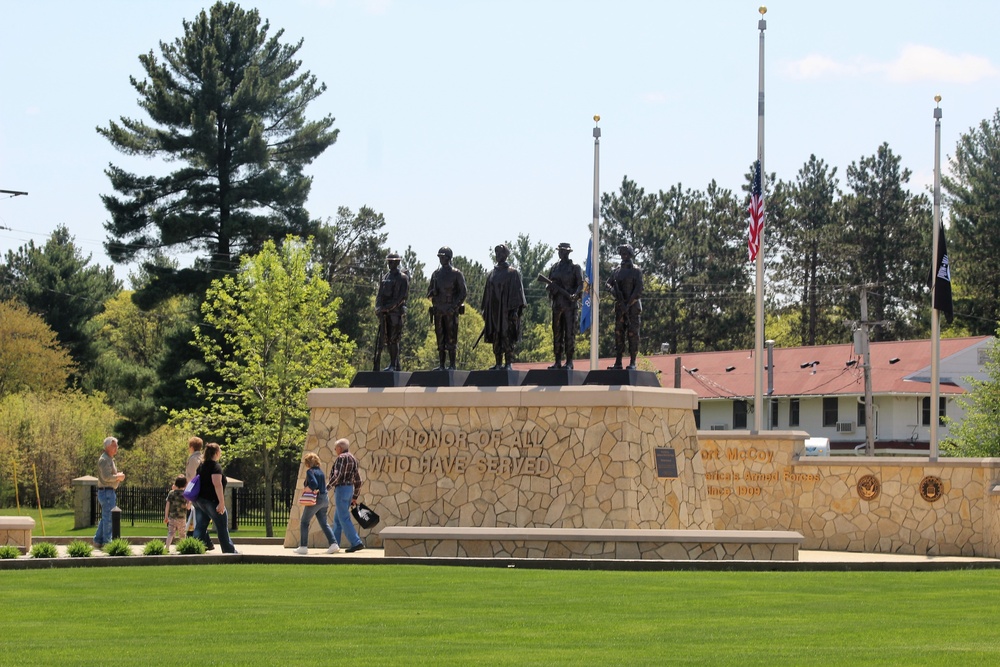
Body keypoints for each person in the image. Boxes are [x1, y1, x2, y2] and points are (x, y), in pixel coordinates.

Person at [481, 244, 526, 370]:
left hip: (507, 312)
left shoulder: (513, 273)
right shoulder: (492, 274)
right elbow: (487, 295)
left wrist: (515, 311)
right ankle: (498, 363)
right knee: (496, 336)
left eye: (500, 253)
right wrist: (485, 311)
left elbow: (517, 294)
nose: (498, 256)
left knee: (507, 337)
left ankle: (508, 363)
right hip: (494, 312)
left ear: (506, 255)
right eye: (496, 253)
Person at [192, 442, 238, 554]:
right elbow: (217, 484)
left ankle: (194, 548)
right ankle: (229, 550)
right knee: (222, 526)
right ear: (216, 453)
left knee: (200, 526)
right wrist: (221, 503)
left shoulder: (201, 466)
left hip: (199, 500)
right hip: (211, 501)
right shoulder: (215, 466)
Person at [545, 242, 584, 369]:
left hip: (570, 306)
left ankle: (569, 361)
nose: (561, 253)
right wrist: (552, 288)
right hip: (557, 305)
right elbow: (548, 284)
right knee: (557, 333)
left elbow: (581, 285)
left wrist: (575, 294)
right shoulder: (555, 268)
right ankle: (557, 361)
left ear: (568, 252)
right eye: (560, 251)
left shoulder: (575, 267)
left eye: (563, 251)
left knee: (569, 334)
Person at [427, 246, 468, 370]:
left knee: (451, 338)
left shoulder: (456, 273)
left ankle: (452, 365)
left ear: (449, 258)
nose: (441, 259)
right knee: (440, 337)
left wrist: (454, 307)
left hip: (450, 310)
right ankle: (441, 365)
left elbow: (463, 292)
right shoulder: (436, 274)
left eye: (443, 257)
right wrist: (432, 294)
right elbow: (428, 293)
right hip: (439, 310)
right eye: (440, 257)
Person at [294, 452, 340, 555]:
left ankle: (303, 546)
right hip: (324, 499)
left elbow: (314, 484)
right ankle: (334, 544)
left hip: (316, 500)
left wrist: (307, 488)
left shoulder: (310, 471)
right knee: (324, 523)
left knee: (304, 522)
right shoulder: (320, 472)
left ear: (308, 463)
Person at [607, 244, 643, 370]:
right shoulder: (617, 271)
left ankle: (633, 362)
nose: (624, 255)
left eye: (626, 253)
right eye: (622, 253)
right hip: (620, 309)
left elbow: (638, 290)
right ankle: (618, 362)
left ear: (631, 254)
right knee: (619, 334)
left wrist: (628, 304)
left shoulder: (636, 270)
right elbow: (608, 283)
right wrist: (613, 291)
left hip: (632, 308)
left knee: (633, 335)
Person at [326, 438, 365, 553]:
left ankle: (356, 542)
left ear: (340, 448)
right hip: (349, 489)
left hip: (341, 489)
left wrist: (326, 488)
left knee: (343, 518)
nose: (335, 450)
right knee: (338, 519)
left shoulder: (341, 458)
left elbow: (337, 476)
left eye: (335, 448)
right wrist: (355, 496)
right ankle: (334, 544)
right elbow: (358, 479)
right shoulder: (353, 458)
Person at [373, 251, 410, 372]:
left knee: (394, 339)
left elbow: (402, 297)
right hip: (384, 314)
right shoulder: (385, 277)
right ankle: (394, 364)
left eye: (393, 262)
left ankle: (394, 365)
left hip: (395, 313)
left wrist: (388, 308)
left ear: (398, 262)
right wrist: (378, 308)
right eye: (389, 262)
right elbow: (379, 295)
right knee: (387, 339)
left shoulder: (402, 278)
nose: (390, 264)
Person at [93, 436, 125, 548]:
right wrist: (118, 477)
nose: (116, 448)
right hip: (106, 492)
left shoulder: (110, 459)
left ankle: (97, 540)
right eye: (114, 445)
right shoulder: (104, 460)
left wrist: (117, 476)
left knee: (105, 517)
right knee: (109, 518)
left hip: (109, 492)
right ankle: (107, 542)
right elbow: (106, 477)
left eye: (117, 445)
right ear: (107, 447)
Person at [184, 437, 208, 544]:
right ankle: (207, 542)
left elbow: (192, 478)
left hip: (194, 492)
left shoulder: (193, 459)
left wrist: (188, 497)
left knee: (196, 518)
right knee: (200, 518)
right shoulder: (202, 458)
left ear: (192, 447)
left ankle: (199, 541)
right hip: (202, 491)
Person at [163, 475, 189, 551]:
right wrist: (189, 503)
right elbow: (188, 507)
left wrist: (166, 516)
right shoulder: (186, 494)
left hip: (172, 517)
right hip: (182, 517)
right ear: (185, 484)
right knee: (182, 534)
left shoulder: (171, 493)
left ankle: (167, 547)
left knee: (171, 533)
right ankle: (183, 547)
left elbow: (167, 505)